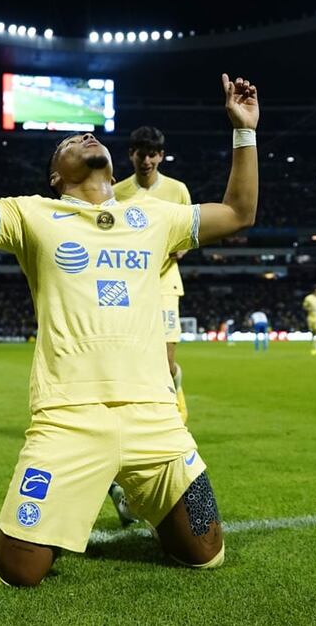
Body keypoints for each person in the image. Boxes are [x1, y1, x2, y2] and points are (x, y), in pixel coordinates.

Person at [0, 45, 259, 586]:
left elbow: (240, 213)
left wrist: (244, 131)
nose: (85, 136)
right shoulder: (33, 214)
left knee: (205, 552)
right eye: (68, 141)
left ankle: (140, 496)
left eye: (90, 135)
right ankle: (66, 499)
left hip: (156, 419)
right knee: (19, 572)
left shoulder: (154, 216)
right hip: (68, 418)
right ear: (55, 175)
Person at [113, 126, 193, 423]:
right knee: (129, 356)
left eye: (151, 154)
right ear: (131, 155)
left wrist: (183, 249)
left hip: (164, 283)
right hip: (130, 284)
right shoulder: (117, 192)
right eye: (140, 154)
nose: (146, 160)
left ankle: (177, 396)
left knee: (165, 360)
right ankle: (147, 417)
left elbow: (189, 232)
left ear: (161, 155)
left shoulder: (177, 190)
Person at [302, 285, 316, 355]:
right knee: (313, 332)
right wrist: (309, 309)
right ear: (315, 290)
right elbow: (304, 307)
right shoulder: (308, 298)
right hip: (311, 317)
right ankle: (313, 347)